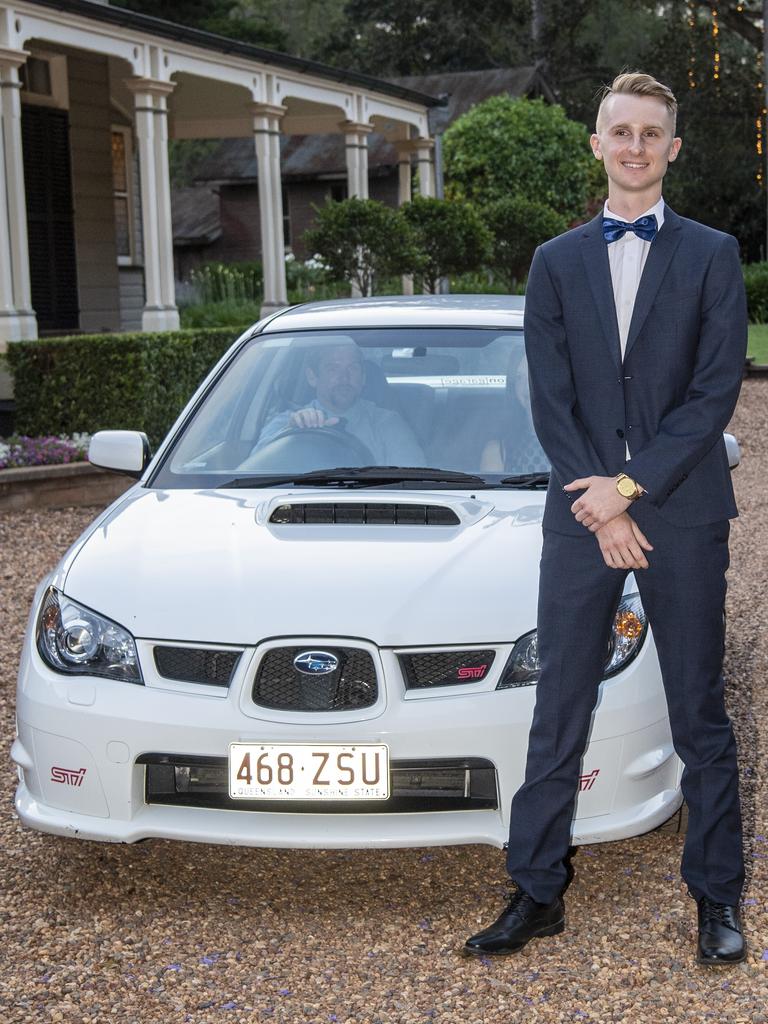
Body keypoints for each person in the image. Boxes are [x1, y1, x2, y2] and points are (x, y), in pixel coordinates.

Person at [464, 71, 748, 966]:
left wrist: (625, 492)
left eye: (650, 133)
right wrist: (601, 501)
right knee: (558, 708)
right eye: (619, 131)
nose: (633, 146)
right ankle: (536, 891)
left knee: (699, 710)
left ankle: (716, 898)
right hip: (581, 517)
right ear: (597, 144)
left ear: (671, 149)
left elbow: (711, 397)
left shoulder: (714, 254)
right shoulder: (555, 262)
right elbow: (551, 401)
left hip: (683, 514)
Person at [254, 342, 425, 466]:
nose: (344, 377)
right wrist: (291, 435)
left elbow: (413, 481)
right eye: (333, 369)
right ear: (312, 377)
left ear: (363, 378)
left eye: (353, 368)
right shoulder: (287, 423)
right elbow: (255, 469)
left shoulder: (387, 423)